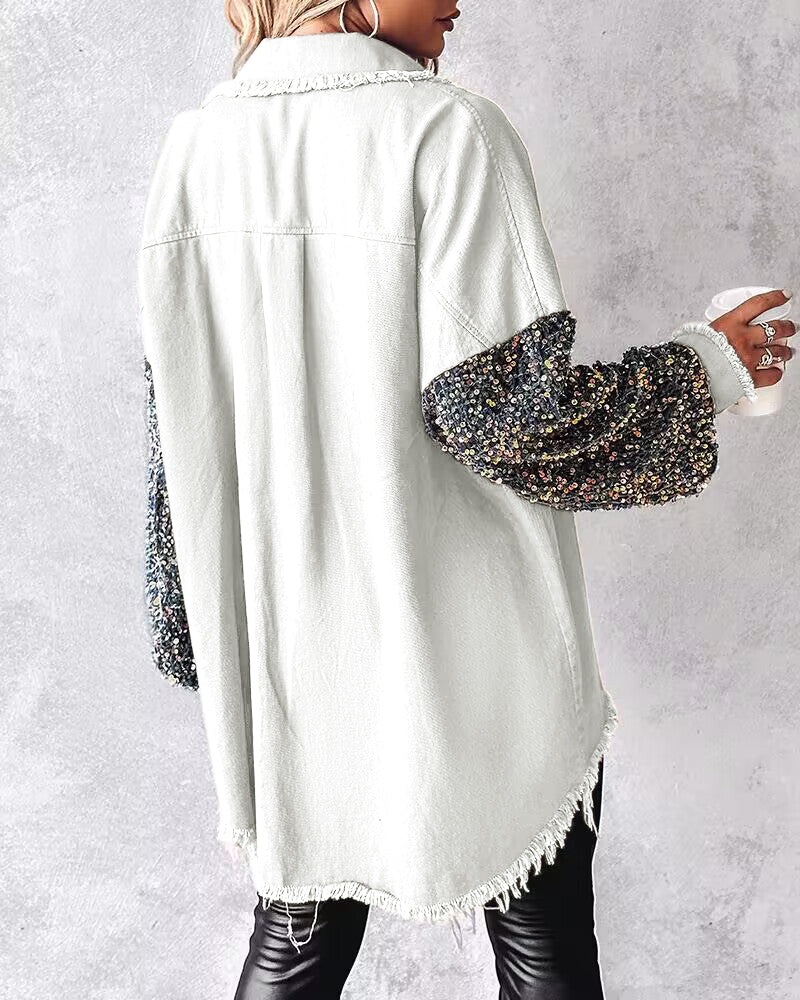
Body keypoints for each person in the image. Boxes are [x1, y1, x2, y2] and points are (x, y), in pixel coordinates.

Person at [137, 1, 794, 996]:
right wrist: (706, 367)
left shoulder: (193, 149)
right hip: (475, 651)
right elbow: (511, 422)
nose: (459, 1)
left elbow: (177, 428)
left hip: (291, 649)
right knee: (540, 943)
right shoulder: (446, 131)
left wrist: (193, 626)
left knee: (297, 938)